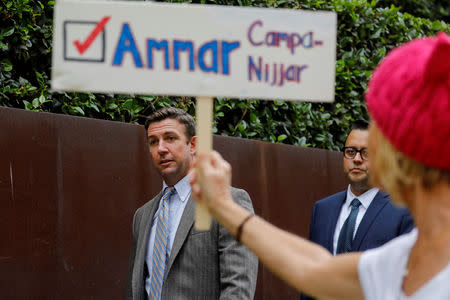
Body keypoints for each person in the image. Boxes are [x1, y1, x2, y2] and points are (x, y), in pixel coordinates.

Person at [190, 32, 450, 300]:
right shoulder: (407, 256)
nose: (364, 151)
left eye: (378, 128)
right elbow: (316, 269)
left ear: (400, 150)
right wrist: (223, 205)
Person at [126, 107, 258, 300]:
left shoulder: (227, 201)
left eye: (170, 138)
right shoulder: (142, 215)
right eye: (153, 142)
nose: (161, 149)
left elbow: (238, 287)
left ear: (193, 144)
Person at [301, 120, 414, 300]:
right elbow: (311, 274)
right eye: (350, 152)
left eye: (366, 153)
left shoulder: (402, 211)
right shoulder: (322, 209)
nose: (357, 159)